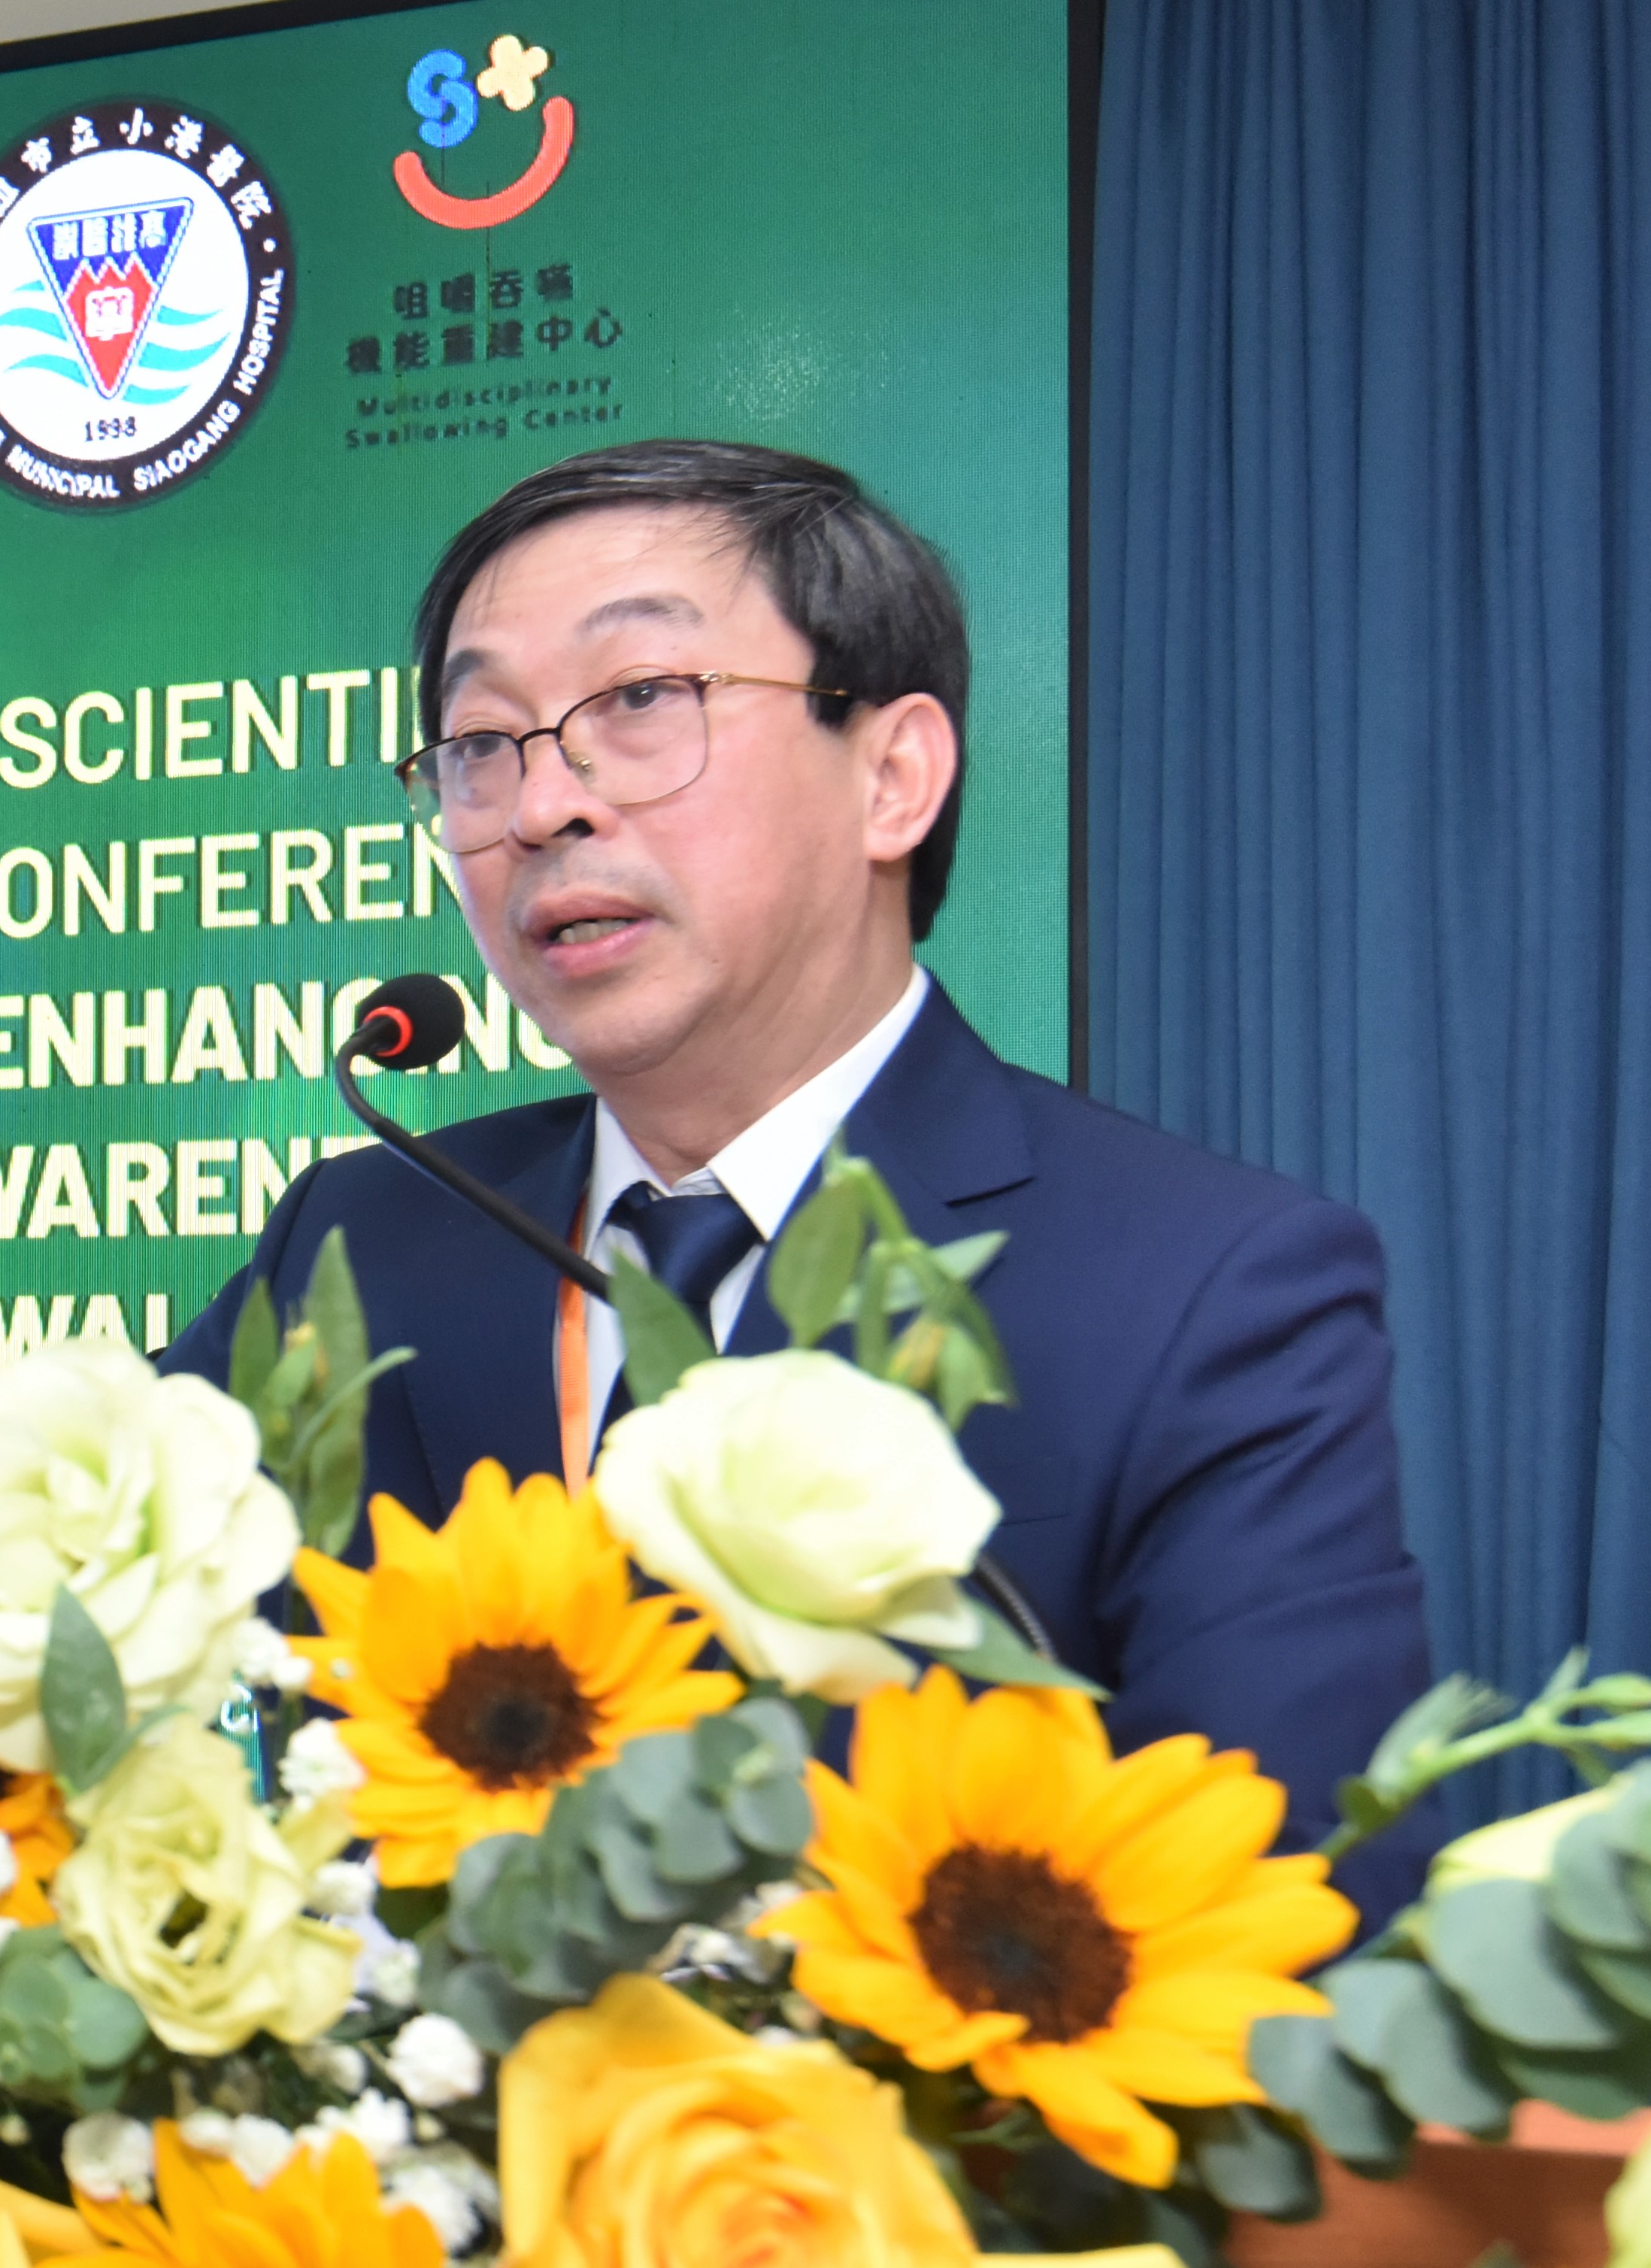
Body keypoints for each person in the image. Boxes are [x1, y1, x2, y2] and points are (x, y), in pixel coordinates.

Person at [162, 439, 1435, 1917]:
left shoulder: (1206, 1293)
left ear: (892, 778)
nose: (541, 804)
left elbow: (1292, 1923)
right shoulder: (367, 1238)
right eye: (480, 742)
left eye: (641, 699)